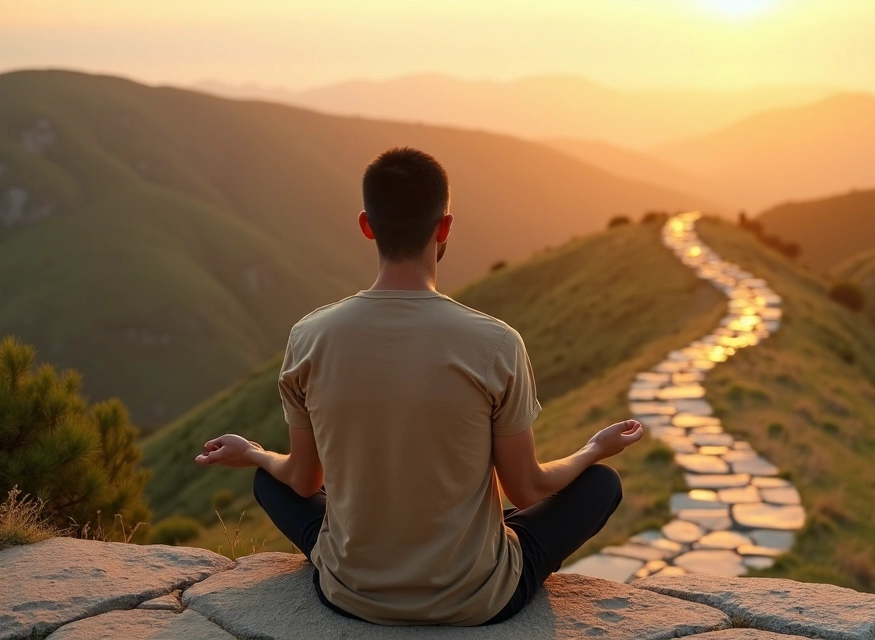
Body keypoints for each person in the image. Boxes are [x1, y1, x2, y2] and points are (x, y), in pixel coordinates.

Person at [194, 147, 644, 626]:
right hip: (478, 598)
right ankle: (466, 544)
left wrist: (258, 453)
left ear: (367, 225)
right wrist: (593, 449)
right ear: (444, 227)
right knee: (600, 484)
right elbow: (529, 489)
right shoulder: (495, 343)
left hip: (349, 591)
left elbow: (304, 481)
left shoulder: (308, 337)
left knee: (271, 481)